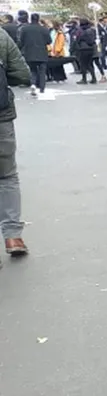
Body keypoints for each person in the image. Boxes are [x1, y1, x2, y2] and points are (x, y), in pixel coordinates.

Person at [0, 26, 32, 262]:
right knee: (7, 175)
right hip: (1, 117)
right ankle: (13, 236)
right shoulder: (1, 35)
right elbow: (22, 74)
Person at [19, 13, 50, 96]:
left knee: (33, 70)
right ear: (38, 19)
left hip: (29, 53)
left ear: (30, 18)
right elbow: (49, 41)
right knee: (42, 71)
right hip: (42, 53)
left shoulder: (25, 29)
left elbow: (21, 41)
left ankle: (33, 84)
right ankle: (42, 89)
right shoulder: (44, 29)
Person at [74, 18, 98, 85]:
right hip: (91, 48)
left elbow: (77, 39)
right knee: (89, 64)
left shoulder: (80, 30)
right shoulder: (92, 30)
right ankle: (94, 78)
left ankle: (84, 79)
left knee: (83, 64)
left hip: (83, 49)